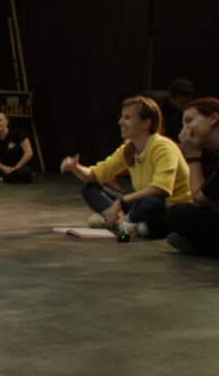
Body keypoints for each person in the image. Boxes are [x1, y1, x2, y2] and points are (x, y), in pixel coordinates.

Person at [60, 96, 191, 238]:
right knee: (90, 188)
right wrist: (75, 167)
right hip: (142, 206)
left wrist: (121, 201)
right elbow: (96, 174)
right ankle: (124, 224)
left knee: (151, 203)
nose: (120, 122)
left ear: (146, 123)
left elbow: (161, 189)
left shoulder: (163, 147)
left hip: (169, 208)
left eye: (127, 118)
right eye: (121, 117)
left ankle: (126, 223)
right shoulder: (129, 148)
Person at [167, 97, 219, 254]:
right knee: (176, 236)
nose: (185, 129)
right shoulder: (213, 154)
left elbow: (199, 198)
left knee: (178, 213)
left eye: (189, 121)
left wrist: (193, 155)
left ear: (214, 118)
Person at [0, 112, 34, 184]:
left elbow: (29, 153)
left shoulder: (18, 134)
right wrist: (4, 168)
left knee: (26, 172)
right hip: (3, 167)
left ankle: (1, 179)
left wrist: (15, 168)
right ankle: (11, 178)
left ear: (7, 121)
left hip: (18, 166)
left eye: (0, 120)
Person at [143, 78, 194, 142]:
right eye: (182, 103)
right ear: (171, 98)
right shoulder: (155, 106)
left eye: (189, 101)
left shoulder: (182, 110)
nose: (186, 106)